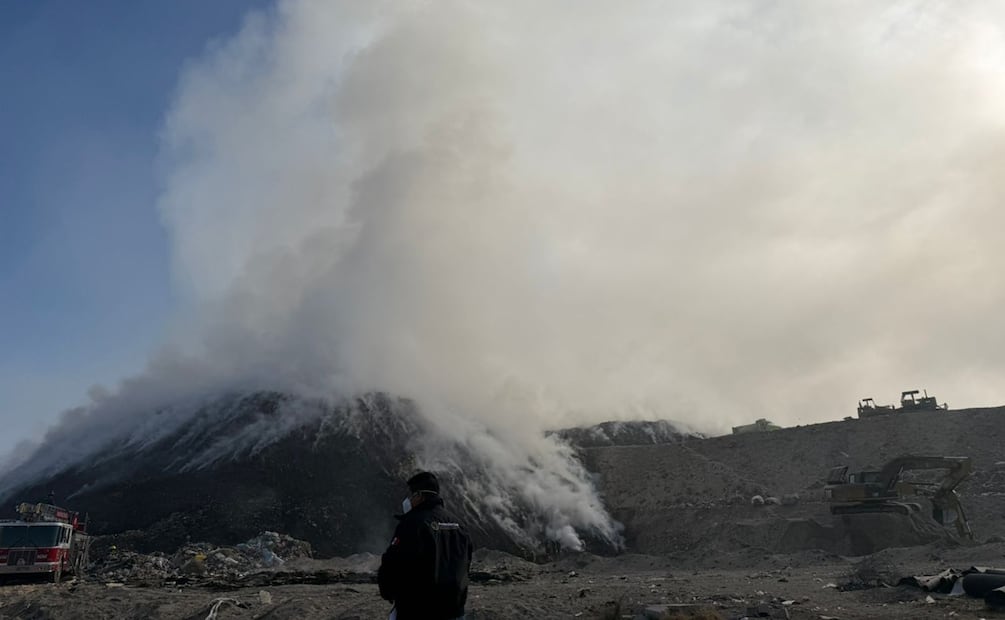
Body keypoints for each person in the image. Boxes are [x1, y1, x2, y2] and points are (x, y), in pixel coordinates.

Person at [378, 471, 473, 620]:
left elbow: (393, 563)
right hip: (454, 610)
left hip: (417, 610)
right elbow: (466, 564)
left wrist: (388, 592)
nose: (409, 500)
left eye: (412, 495)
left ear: (420, 496)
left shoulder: (412, 524)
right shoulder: (458, 525)